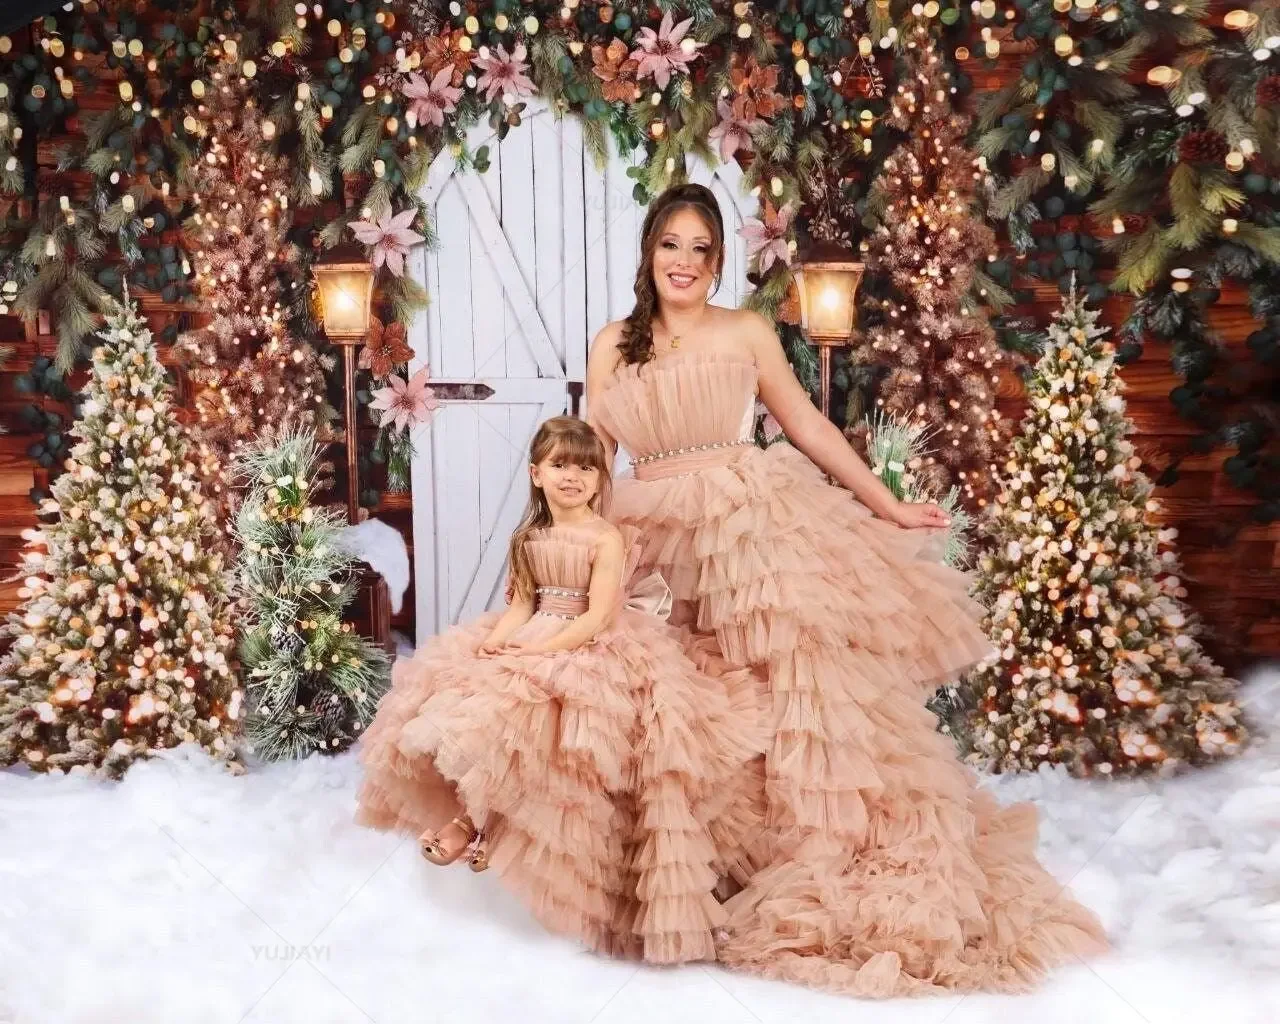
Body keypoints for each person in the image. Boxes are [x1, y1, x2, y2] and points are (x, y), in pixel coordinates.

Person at [585, 183, 1107, 997]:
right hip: (649, 526)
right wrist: (559, 532)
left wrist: (888, 503)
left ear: (718, 262)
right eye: (670, 245)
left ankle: (802, 858)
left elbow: (807, 425)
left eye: (700, 249)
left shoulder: (746, 331)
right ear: (648, 252)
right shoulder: (614, 343)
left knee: (790, 689)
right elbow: (593, 448)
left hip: (742, 525)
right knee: (678, 697)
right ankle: (692, 875)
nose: (683, 262)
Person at [355, 415, 763, 963]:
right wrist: (498, 642)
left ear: (599, 480)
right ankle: (476, 820)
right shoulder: (530, 537)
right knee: (485, 711)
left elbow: (597, 614)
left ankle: (484, 829)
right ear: (537, 474)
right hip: (535, 630)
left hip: (587, 643)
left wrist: (543, 650)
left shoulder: (605, 537)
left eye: (586, 467)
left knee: (556, 732)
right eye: (560, 465)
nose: (573, 476)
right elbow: (523, 602)